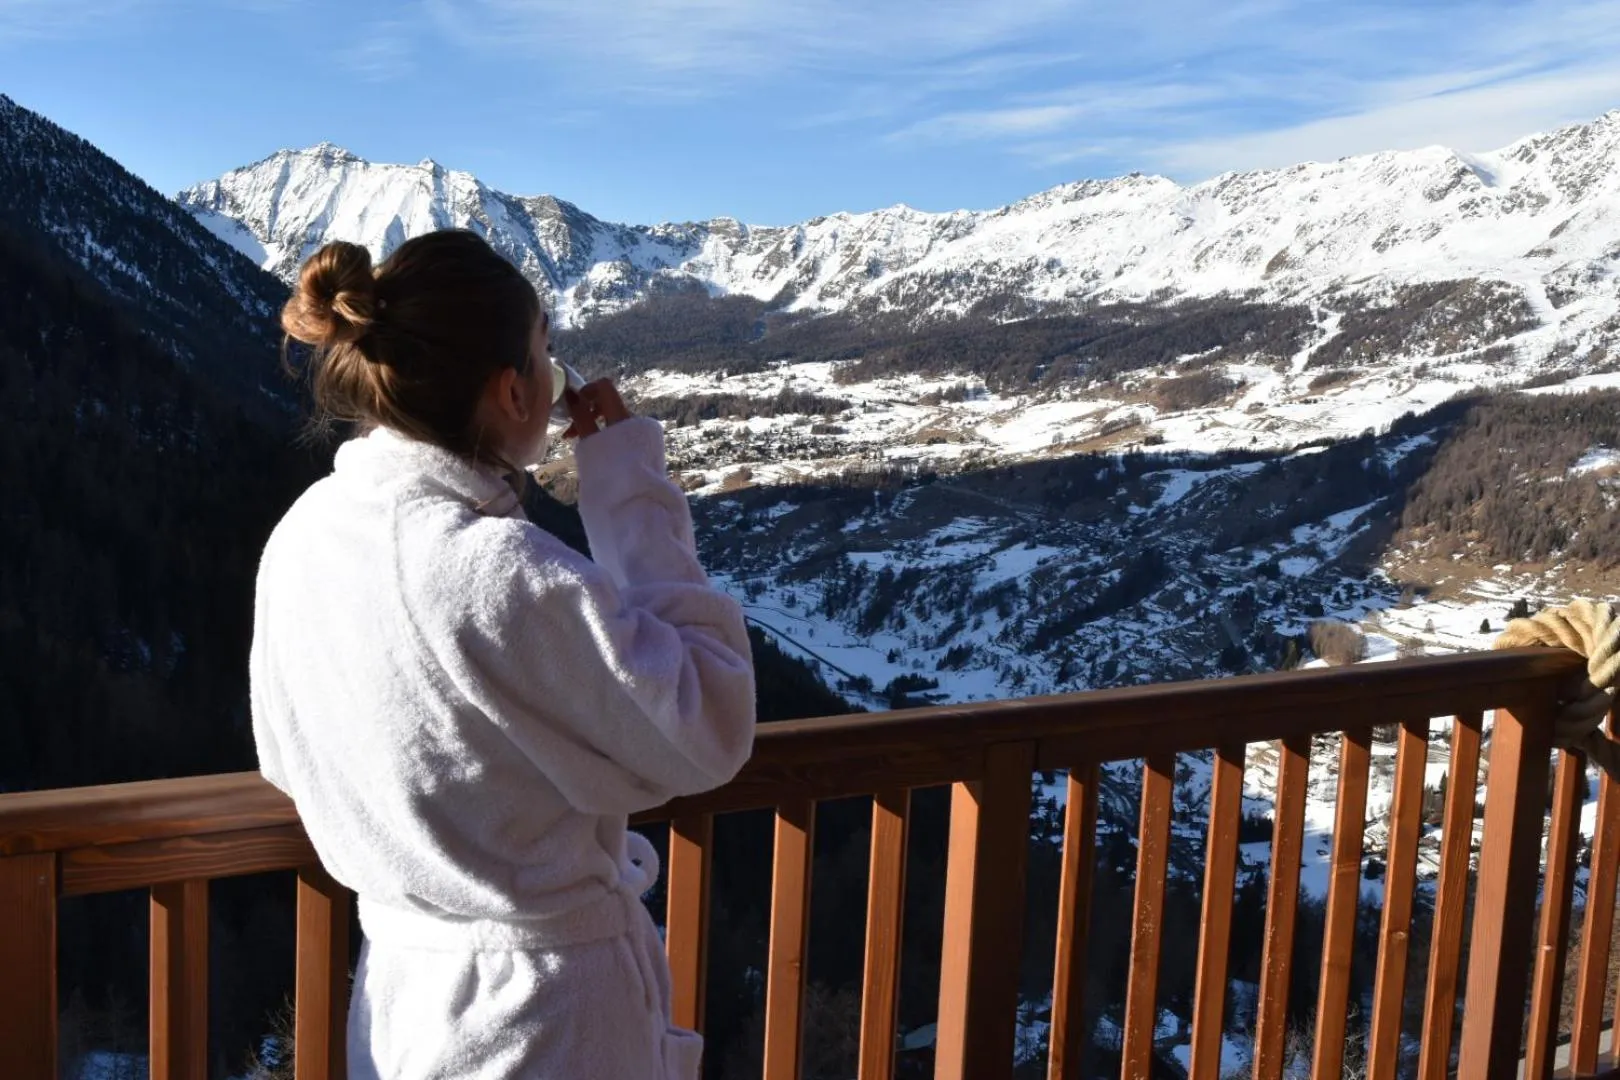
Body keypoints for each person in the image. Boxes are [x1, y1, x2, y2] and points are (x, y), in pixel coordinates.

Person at [249, 230, 756, 1079]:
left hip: (402, 1003)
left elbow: (286, 758)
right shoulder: (498, 569)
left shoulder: (306, 535)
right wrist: (627, 492)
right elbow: (707, 720)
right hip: (547, 1019)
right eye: (546, 360)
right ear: (512, 391)